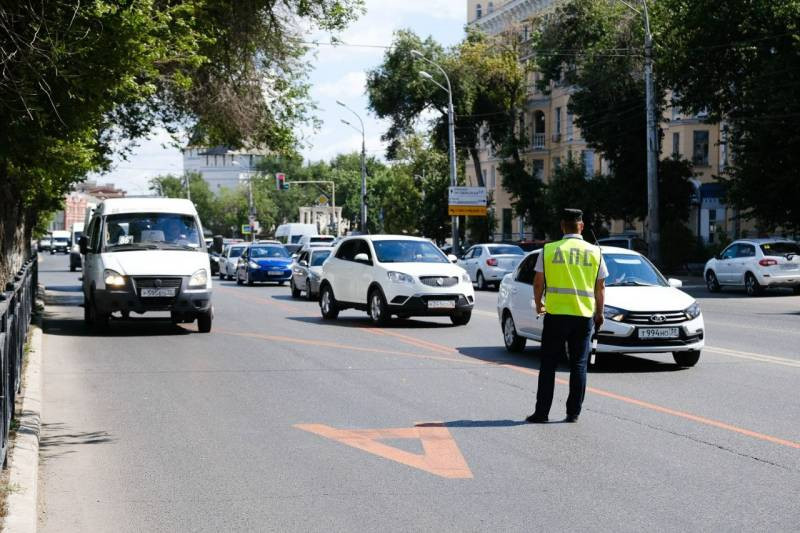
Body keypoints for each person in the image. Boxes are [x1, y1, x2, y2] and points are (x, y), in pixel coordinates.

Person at [526, 208, 607, 424]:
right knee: (579, 364)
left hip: (556, 315)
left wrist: (539, 304)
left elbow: (538, 282)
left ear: (563, 226)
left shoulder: (549, 250)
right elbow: (600, 288)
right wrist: (600, 314)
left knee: (548, 364)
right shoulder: (595, 252)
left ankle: (542, 413)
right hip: (583, 316)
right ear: (581, 226)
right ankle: (573, 413)